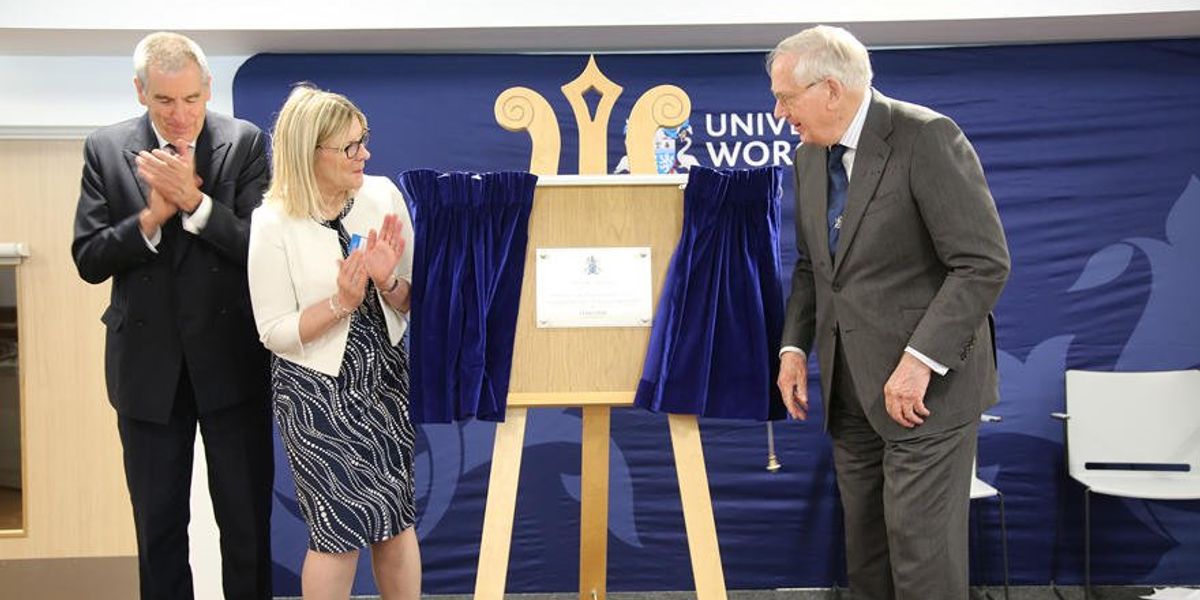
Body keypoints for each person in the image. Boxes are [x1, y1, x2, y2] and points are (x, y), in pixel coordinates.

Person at [769, 26, 1010, 599]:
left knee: (923, 561)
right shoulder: (808, 158)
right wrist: (794, 347)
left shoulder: (925, 137)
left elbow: (982, 263)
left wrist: (920, 359)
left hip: (925, 394)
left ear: (831, 89)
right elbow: (811, 267)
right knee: (868, 556)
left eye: (786, 98)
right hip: (851, 393)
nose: (779, 113)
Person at [70, 32, 273, 600]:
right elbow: (88, 258)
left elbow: (262, 249)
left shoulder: (244, 142)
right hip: (146, 370)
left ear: (207, 88)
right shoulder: (105, 149)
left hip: (232, 363)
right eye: (164, 101)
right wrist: (150, 219)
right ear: (140, 92)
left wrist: (196, 204)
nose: (180, 115)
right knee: (158, 531)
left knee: (246, 526)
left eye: (191, 99)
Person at [247, 85, 420, 599]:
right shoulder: (272, 222)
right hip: (314, 392)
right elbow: (274, 331)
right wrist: (341, 303)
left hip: (384, 381)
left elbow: (414, 300)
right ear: (310, 152)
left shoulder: (383, 196)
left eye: (363, 139)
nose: (364, 153)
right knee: (336, 533)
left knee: (395, 521)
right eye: (350, 146)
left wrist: (388, 281)